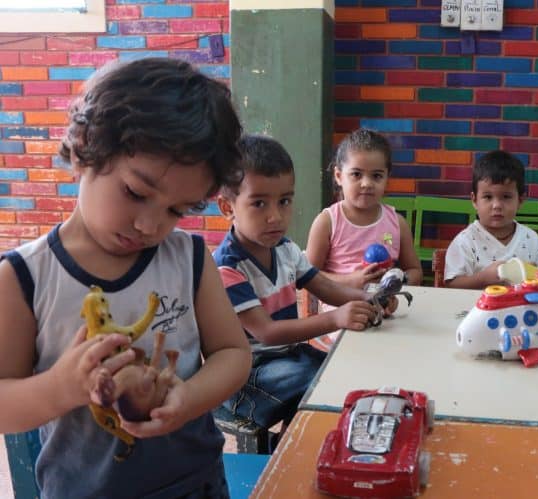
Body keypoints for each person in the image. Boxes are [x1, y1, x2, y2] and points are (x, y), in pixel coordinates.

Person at [0, 58, 251, 498]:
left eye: (178, 210)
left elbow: (234, 353)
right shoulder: (24, 277)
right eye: (136, 193)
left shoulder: (188, 258)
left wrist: (188, 399)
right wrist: (60, 389)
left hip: (196, 485)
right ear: (84, 150)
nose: (150, 226)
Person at [214, 134, 388, 439]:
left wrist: (371, 298)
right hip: (247, 377)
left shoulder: (285, 248)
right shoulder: (227, 267)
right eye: (259, 203)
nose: (275, 216)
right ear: (227, 207)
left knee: (342, 370)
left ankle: (293, 441)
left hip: (288, 359)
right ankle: (293, 449)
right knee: (318, 380)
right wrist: (335, 319)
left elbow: (326, 288)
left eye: (284, 201)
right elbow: (267, 333)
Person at [305, 128, 422, 350]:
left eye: (376, 175)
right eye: (357, 174)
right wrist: (351, 281)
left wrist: (394, 288)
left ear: (387, 177)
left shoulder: (397, 222)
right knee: (363, 346)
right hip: (340, 310)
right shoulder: (328, 221)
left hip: (384, 309)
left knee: (408, 345)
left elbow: (415, 270)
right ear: (339, 176)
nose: (367, 183)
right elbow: (308, 278)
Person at [444, 150, 538, 289]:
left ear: (520, 200)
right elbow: (452, 284)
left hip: (522, 309)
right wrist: (482, 279)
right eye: (488, 197)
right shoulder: (466, 241)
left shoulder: (530, 238)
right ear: (474, 200)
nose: (497, 206)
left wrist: (535, 274)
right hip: (478, 309)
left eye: (506, 197)